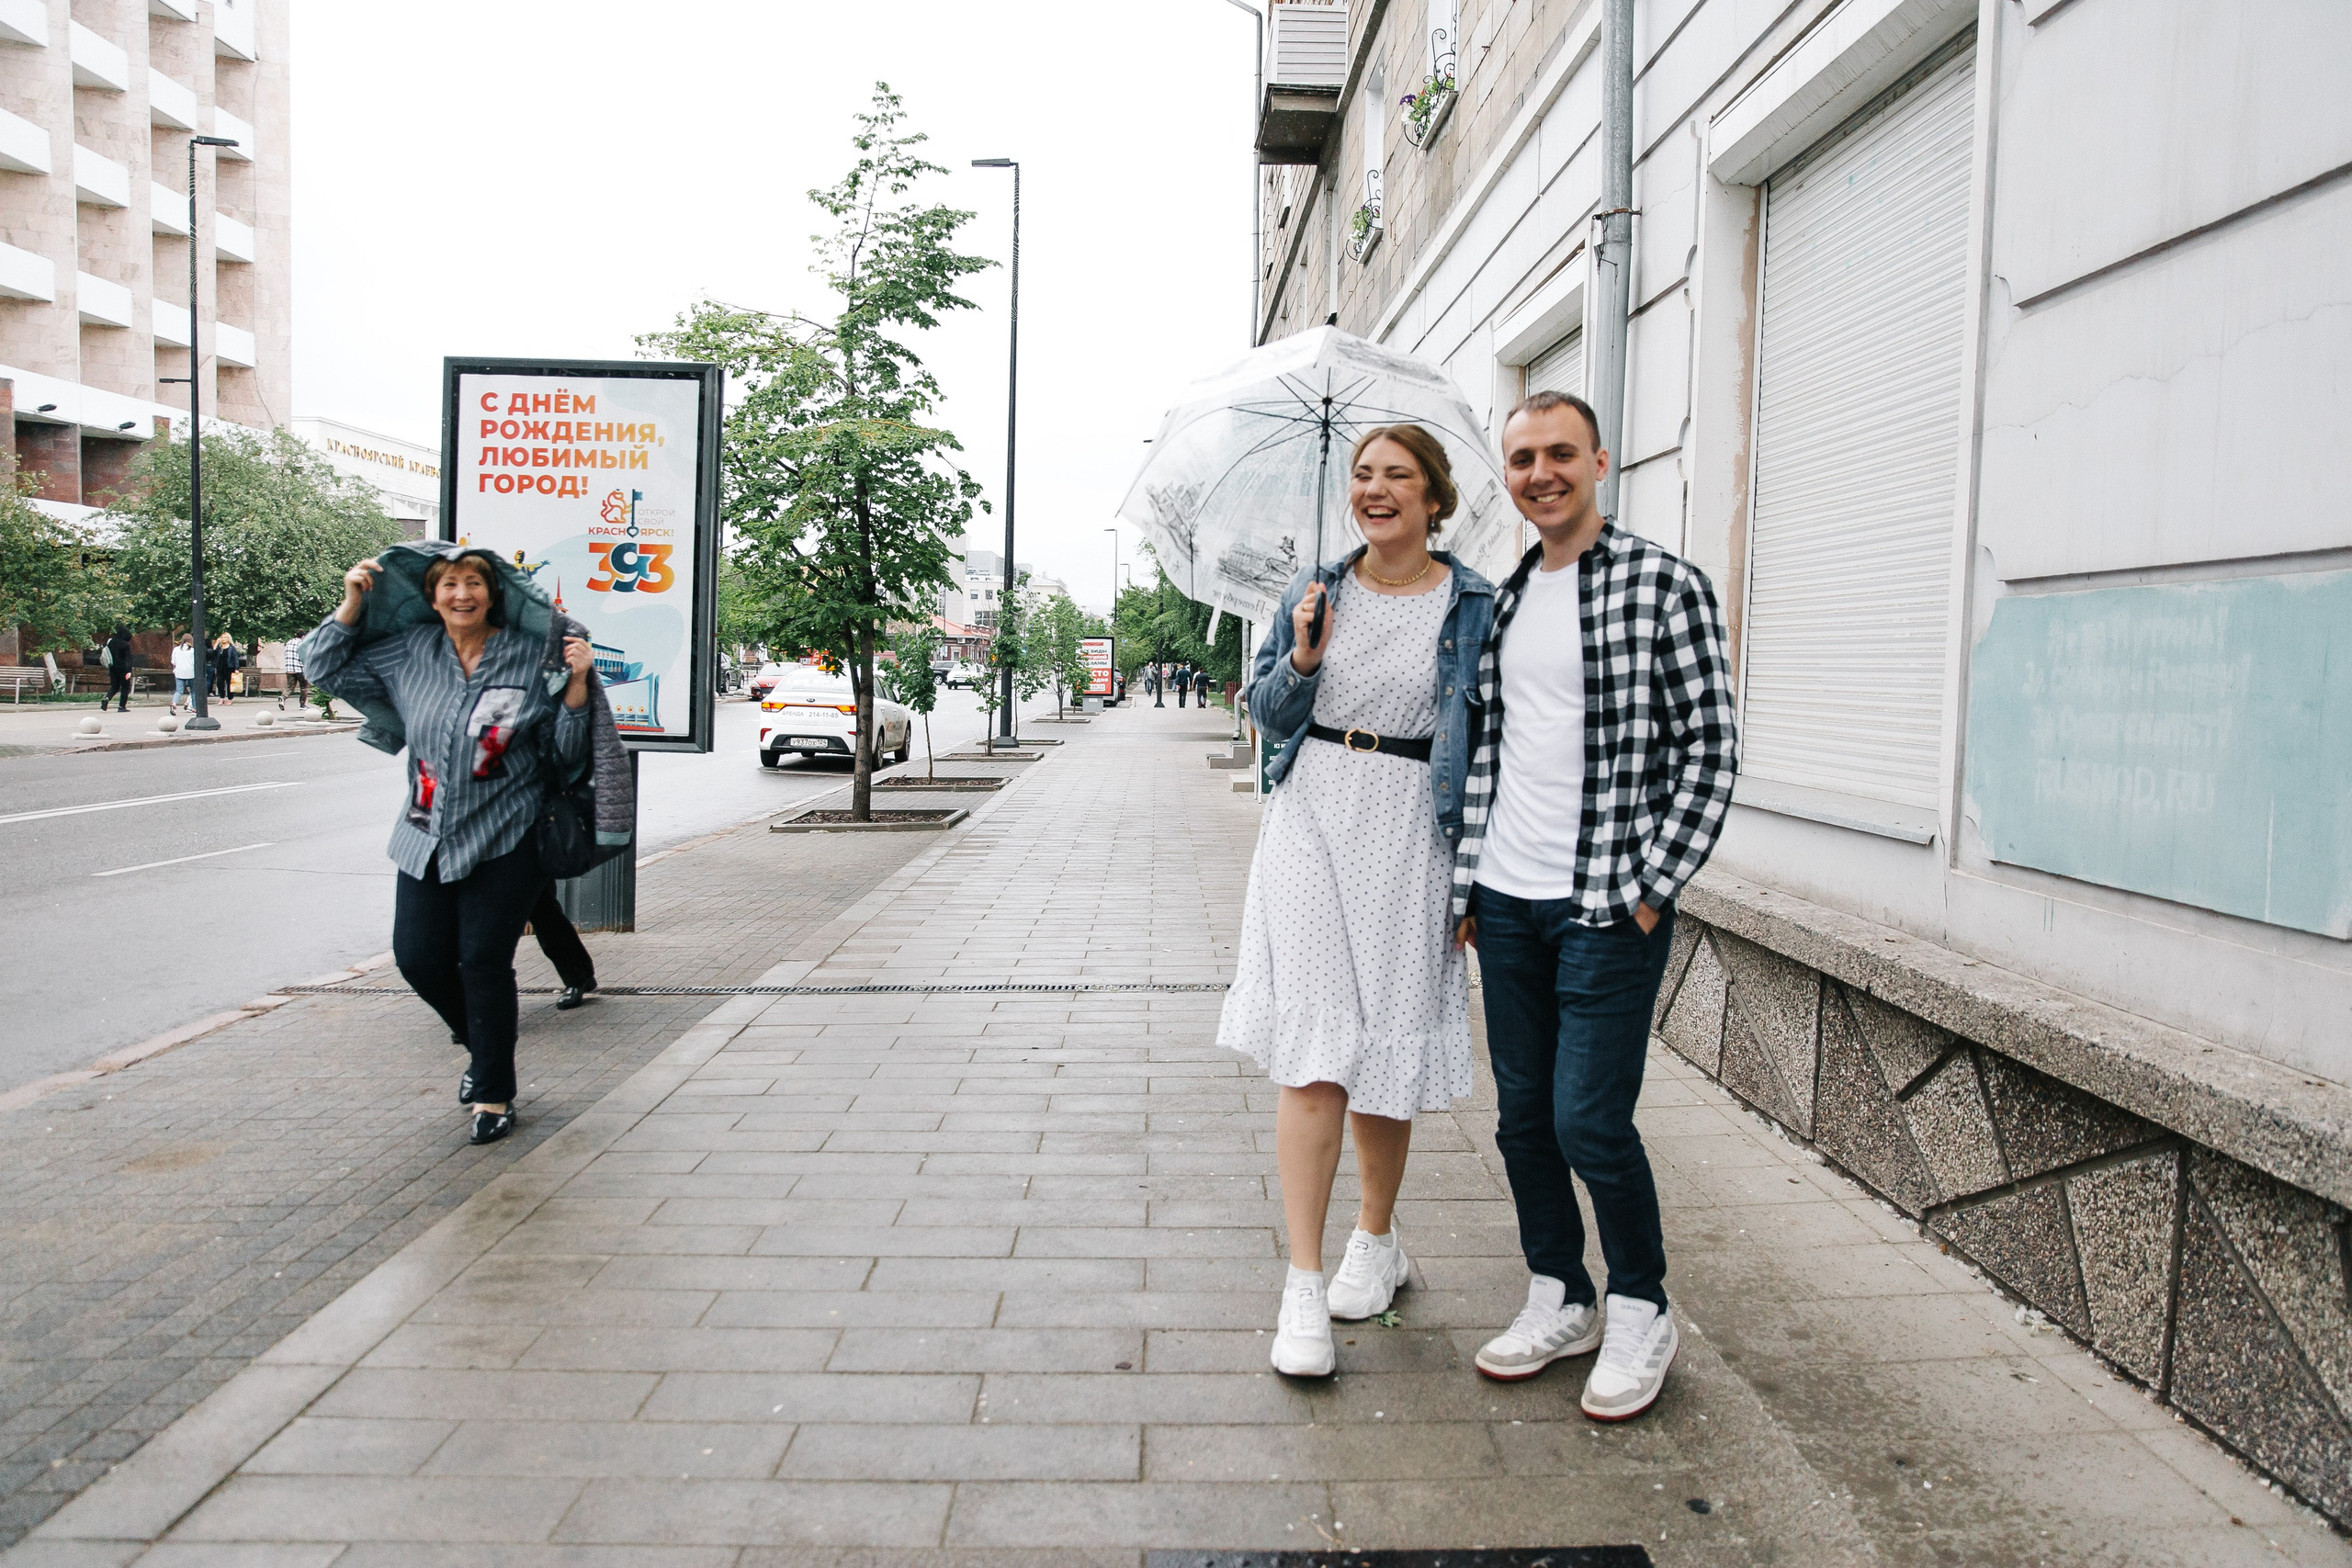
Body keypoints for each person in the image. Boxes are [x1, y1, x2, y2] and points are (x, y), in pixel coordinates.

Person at [1455, 389, 1737, 1421]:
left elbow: (1711, 749)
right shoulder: (1503, 601)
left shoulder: (1663, 585)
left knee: (1589, 1120)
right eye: (1522, 458)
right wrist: (1467, 884)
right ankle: (1559, 1292)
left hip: (1607, 902)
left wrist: (1654, 889)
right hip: (1507, 899)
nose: (1540, 473)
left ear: (1600, 462)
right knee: (1522, 1119)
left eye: (1560, 454)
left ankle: (1641, 1306)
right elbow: (1490, 751)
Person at [1219, 423, 1496, 1379]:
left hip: (1415, 830)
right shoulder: (1315, 592)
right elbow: (1265, 713)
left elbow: (1493, 747)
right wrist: (1300, 658)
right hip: (1310, 818)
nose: (1375, 490)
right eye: (1363, 475)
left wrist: (1476, 874)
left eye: (1397, 476)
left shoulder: (1474, 605)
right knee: (1314, 1052)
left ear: (1433, 497)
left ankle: (1375, 1241)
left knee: (1382, 1051)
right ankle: (1301, 1284)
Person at [304, 547, 597, 1145]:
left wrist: (576, 684)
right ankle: (482, 1044)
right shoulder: (409, 650)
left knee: (483, 961)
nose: (462, 594)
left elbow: (568, 752)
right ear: (432, 596)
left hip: (506, 834)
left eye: (474, 583)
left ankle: (493, 1091)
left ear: (493, 594)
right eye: (450, 584)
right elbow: (323, 668)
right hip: (425, 834)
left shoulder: (529, 656)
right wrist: (352, 603)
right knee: (417, 958)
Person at [103, 625, 134, 714]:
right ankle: (122, 706)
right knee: (125, 687)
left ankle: (107, 698)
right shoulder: (126, 644)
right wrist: (129, 671)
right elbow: (128, 659)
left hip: (112, 667)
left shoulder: (111, 642)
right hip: (123, 669)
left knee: (115, 686)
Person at [168, 634, 196, 712]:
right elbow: (194, 662)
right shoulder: (192, 650)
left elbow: (173, 662)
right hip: (191, 673)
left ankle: (174, 703)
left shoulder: (176, 649)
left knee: (179, 691)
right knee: (193, 691)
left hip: (179, 672)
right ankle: (194, 707)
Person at [280, 635, 308, 710]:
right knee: (304, 687)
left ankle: (283, 697)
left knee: (290, 687)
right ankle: (302, 705)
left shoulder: (288, 643)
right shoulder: (302, 644)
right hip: (300, 669)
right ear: (303, 636)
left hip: (289, 669)